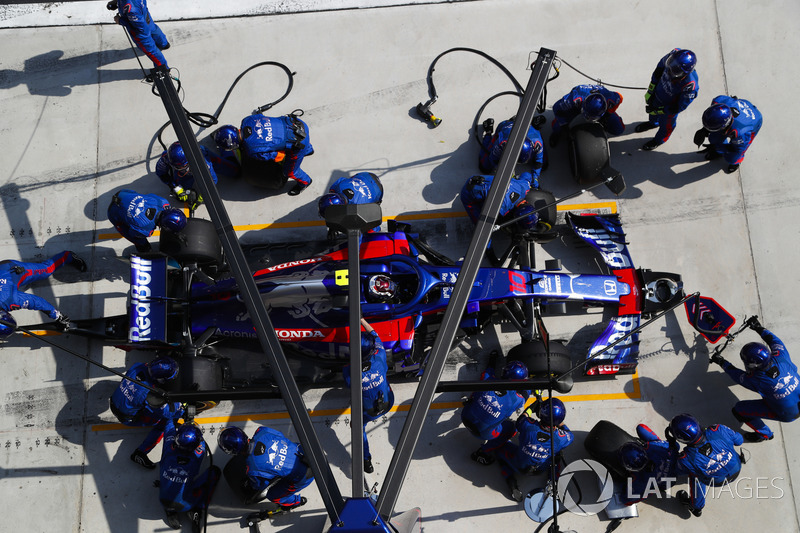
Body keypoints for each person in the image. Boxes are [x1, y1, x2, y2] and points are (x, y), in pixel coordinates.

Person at [710, 316, 799, 442]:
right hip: (796, 399)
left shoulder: (756, 380)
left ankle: (765, 434)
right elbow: (773, 340)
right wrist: (757, 327)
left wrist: (721, 362)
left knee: (739, 410)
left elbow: (736, 375)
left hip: (788, 414)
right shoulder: (781, 356)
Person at [109, 355, 184, 469]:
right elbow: (169, 412)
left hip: (114, 402)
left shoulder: (137, 366)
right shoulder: (148, 394)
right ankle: (140, 453)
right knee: (165, 421)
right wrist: (182, 407)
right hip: (126, 417)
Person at [212, 112, 315, 195]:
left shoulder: (253, 150)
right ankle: (309, 149)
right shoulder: (247, 119)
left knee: (290, 171)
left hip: (300, 142)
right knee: (287, 139)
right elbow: (261, 116)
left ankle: (305, 182)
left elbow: (279, 157)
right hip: (298, 124)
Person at [218, 425, 313, 511]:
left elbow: (260, 486)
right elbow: (280, 436)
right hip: (306, 451)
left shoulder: (253, 470)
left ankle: (296, 502)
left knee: (273, 496)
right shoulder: (263, 430)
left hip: (305, 475)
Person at [495, 397, 574, 502]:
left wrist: (532, 407)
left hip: (519, 464)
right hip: (541, 469)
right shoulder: (560, 438)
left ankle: (511, 481)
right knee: (557, 454)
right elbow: (569, 434)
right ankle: (553, 482)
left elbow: (522, 418)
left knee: (499, 447)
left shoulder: (527, 425)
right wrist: (558, 421)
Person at [342, 318, 394, 473]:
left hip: (368, 412)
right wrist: (361, 319)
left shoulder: (348, 371)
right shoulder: (379, 355)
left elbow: (350, 385)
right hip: (388, 402)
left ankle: (366, 459)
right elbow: (375, 335)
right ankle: (366, 461)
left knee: (356, 427)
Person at [670, 413, 743, 517]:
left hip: (718, 481)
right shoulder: (718, 429)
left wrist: (671, 446)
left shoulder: (686, 459)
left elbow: (674, 470)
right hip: (737, 466)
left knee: (696, 475)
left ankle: (697, 507)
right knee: (696, 469)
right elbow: (739, 440)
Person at [0, 251, 87, 338]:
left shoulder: (11, 300)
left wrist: (58, 316)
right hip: (5, 279)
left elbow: (38, 302)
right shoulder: (9, 300)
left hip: (10, 269)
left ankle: (68, 256)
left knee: (47, 270)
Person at [460, 358, 530, 466]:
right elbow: (525, 394)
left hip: (465, 416)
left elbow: (488, 370)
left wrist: (493, 358)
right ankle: (482, 452)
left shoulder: (488, 379)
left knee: (477, 392)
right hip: (483, 434)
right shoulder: (517, 400)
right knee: (512, 428)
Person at [158, 421, 221, 532]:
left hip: (163, 500)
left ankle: (169, 511)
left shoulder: (168, 448)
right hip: (185, 504)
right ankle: (197, 510)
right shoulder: (197, 456)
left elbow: (168, 425)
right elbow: (201, 443)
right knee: (215, 471)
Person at [635, 48, 699, 151]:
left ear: (684, 73)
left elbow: (679, 107)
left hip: (668, 107)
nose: (669, 70)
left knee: (666, 125)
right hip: (658, 94)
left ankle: (659, 140)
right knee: (652, 111)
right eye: (670, 65)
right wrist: (651, 91)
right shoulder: (673, 55)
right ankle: (653, 123)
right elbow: (659, 69)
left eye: (674, 70)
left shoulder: (690, 86)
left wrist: (662, 110)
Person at [693, 95, 763, 174]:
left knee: (733, 157)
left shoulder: (741, 133)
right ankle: (719, 152)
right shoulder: (718, 101)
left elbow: (737, 149)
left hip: (754, 120)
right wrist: (704, 130)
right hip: (740, 107)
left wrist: (718, 148)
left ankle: (736, 163)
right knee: (714, 138)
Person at [156, 141, 233, 210]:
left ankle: (222, 143)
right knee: (181, 197)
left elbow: (213, 180)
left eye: (182, 166)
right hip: (185, 174)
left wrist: (201, 197)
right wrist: (175, 187)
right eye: (176, 167)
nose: (180, 168)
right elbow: (161, 173)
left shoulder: (203, 163)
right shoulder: (166, 158)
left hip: (204, 156)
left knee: (234, 171)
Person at [107, 189, 187, 253]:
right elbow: (131, 233)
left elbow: (149, 196)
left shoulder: (163, 202)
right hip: (114, 211)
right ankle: (144, 250)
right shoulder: (146, 229)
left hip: (123, 193)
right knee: (139, 240)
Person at [619, 424, 679, 505]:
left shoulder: (640, 481)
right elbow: (677, 446)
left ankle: (653, 489)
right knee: (641, 428)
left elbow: (626, 500)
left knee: (646, 490)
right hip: (671, 465)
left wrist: (626, 485)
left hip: (665, 482)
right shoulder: (653, 446)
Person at [550, 85, 625, 147]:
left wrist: (609, 113)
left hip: (600, 110)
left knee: (619, 129)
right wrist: (564, 125)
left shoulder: (611, 98)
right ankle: (556, 133)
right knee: (558, 125)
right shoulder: (571, 101)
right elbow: (556, 108)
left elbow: (620, 97)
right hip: (577, 106)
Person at [479, 117, 545, 180]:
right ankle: (488, 131)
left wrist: (535, 179)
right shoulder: (502, 143)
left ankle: (534, 123)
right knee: (485, 166)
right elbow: (493, 159)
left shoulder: (537, 143)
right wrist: (505, 172)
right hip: (506, 126)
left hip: (529, 128)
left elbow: (539, 161)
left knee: (544, 164)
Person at [110, 0, 170, 70]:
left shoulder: (131, 9)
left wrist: (120, 20)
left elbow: (138, 27)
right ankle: (164, 43)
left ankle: (163, 70)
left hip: (140, 31)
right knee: (153, 29)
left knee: (151, 51)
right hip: (144, 14)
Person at [460, 172, 535, 225]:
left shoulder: (524, 186)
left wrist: (535, 184)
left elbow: (527, 175)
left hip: (485, 179)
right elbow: (486, 222)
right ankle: (488, 248)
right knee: (482, 224)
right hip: (468, 192)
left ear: (526, 202)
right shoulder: (502, 208)